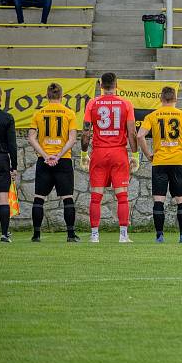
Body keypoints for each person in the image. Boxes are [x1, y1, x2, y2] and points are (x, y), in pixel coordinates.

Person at [137, 86, 182, 244]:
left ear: (161, 99)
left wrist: (148, 154)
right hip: (178, 161)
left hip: (159, 162)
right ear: (175, 99)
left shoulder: (152, 116)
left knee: (159, 200)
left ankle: (159, 236)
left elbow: (140, 135)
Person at [80, 72, 138, 243]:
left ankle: (94, 235)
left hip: (98, 152)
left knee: (96, 196)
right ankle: (123, 235)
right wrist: (134, 154)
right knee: (122, 196)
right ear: (116, 84)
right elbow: (132, 132)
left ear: (100, 85)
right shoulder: (126, 103)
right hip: (118, 152)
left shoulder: (92, 103)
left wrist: (84, 153)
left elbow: (85, 132)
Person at [27, 83, 79, 242]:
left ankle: (36, 235)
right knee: (67, 198)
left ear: (47, 96)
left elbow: (31, 137)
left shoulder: (38, 113)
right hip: (62, 160)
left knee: (39, 198)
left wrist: (44, 155)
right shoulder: (69, 113)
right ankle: (70, 235)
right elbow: (72, 139)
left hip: (44, 161)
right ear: (61, 96)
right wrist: (58, 155)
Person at [0, 86, 18, 242]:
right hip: (1, 159)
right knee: (3, 198)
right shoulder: (7, 118)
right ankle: (4, 233)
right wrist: (14, 167)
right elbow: (12, 145)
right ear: (0, 99)